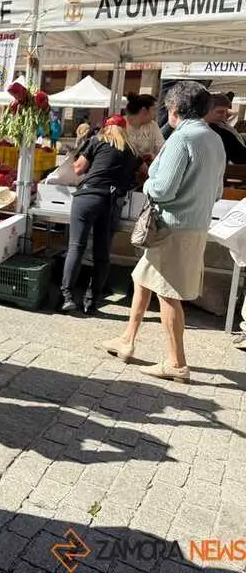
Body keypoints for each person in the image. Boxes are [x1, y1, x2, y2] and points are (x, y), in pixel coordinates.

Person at [97, 81, 226, 382]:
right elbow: (218, 190)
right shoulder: (214, 139)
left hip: (172, 227)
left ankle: (176, 363)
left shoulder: (182, 139)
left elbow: (163, 189)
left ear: (174, 109)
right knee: (141, 278)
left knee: (168, 294)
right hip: (194, 226)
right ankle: (127, 339)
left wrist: (148, 182)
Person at [59, 115, 142, 315]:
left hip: (88, 196)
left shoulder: (96, 141)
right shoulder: (132, 151)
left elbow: (78, 168)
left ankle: (67, 297)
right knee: (102, 253)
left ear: (106, 128)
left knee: (76, 247)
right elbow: (144, 173)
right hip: (111, 202)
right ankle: (92, 300)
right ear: (124, 130)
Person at [204, 93, 246, 164]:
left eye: (226, 112)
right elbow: (235, 158)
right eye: (220, 112)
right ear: (206, 111)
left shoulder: (220, 123)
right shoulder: (214, 130)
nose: (224, 115)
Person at [125, 93, 165, 162]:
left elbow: (162, 149)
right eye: (154, 110)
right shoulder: (121, 124)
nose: (155, 114)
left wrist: (153, 156)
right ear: (144, 110)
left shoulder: (153, 125)